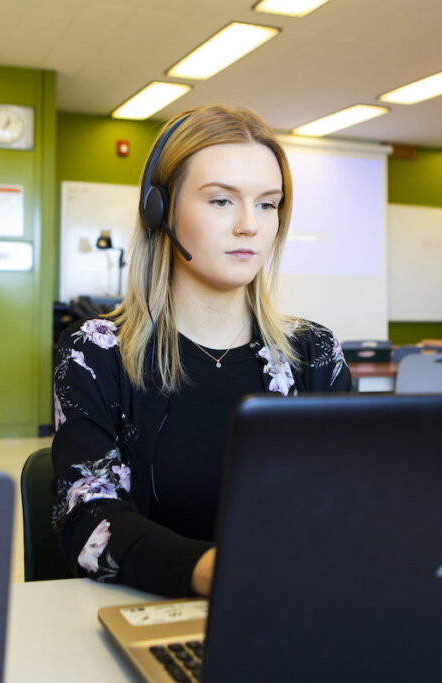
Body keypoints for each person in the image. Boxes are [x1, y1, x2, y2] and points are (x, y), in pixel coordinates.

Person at [50, 105, 352, 598]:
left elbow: (353, 497)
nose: (249, 226)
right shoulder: (96, 353)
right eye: (220, 202)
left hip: (297, 608)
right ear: (160, 209)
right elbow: (88, 522)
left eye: (268, 204)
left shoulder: (314, 353)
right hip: (153, 612)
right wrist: (215, 571)